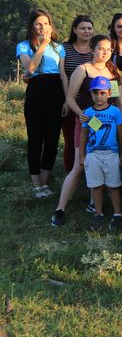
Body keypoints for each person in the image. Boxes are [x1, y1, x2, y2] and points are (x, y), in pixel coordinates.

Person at [51, 35, 122, 226]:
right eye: (101, 48)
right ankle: (60, 208)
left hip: (109, 124)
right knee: (79, 165)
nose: (105, 52)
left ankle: (95, 205)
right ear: (92, 49)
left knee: (103, 161)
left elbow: (119, 101)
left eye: (109, 49)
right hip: (86, 123)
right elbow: (70, 98)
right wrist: (82, 115)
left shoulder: (113, 72)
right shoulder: (82, 70)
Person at [17, 10, 68, 198]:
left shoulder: (59, 47)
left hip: (56, 92)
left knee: (53, 139)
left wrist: (67, 100)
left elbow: (63, 75)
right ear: (32, 26)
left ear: (50, 25)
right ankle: (36, 184)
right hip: (36, 92)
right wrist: (42, 45)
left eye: (46, 23)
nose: (42, 27)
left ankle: (45, 182)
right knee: (36, 139)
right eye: (38, 24)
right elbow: (30, 69)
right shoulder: (23, 46)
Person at [81, 76, 122, 231]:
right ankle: (98, 214)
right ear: (91, 94)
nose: (99, 97)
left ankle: (118, 214)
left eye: (102, 93)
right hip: (93, 153)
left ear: (108, 93)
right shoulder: (88, 112)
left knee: (113, 185)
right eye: (95, 93)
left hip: (111, 153)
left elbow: (121, 134)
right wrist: (82, 154)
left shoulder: (115, 111)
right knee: (96, 185)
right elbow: (84, 133)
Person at [62, 15, 94, 172]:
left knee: (93, 139)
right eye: (82, 28)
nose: (86, 31)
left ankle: (89, 172)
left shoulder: (96, 50)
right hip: (71, 103)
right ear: (74, 29)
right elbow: (61, 74)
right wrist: (67, 102)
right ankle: (71, 171)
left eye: (89, 28)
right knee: (71, 139)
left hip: (92, 105)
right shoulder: (65, 49)